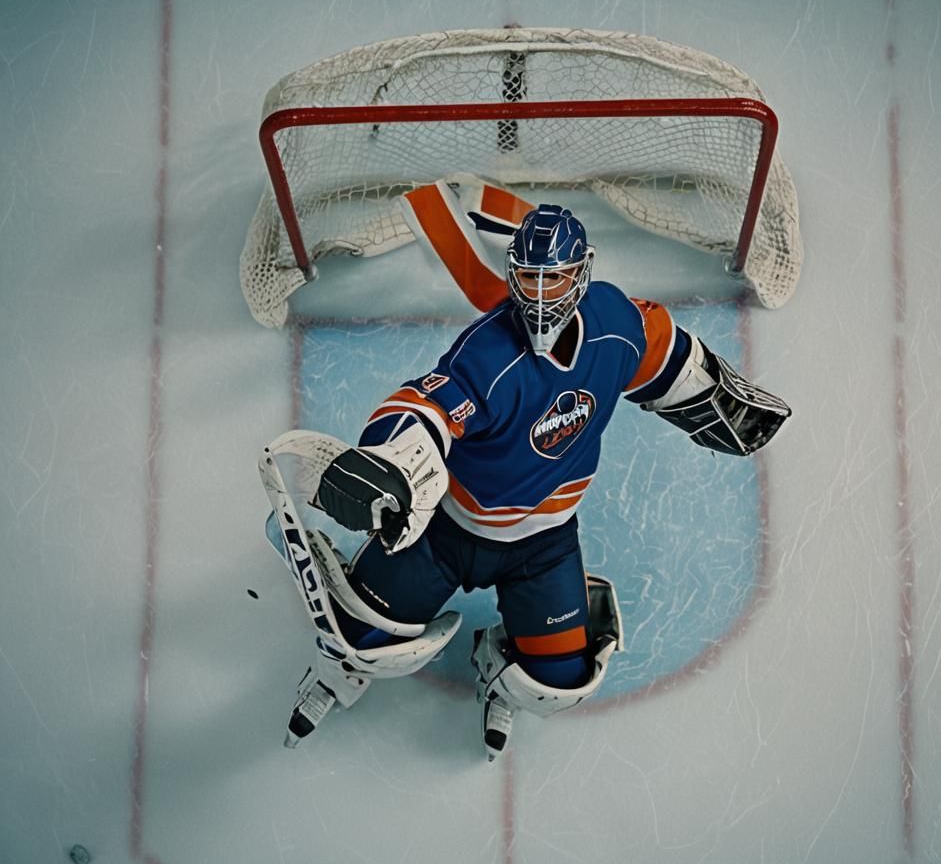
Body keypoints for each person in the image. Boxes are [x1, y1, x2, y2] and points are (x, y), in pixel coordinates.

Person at [260, 177, 791, 760]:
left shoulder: (615, 325)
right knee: (357, 636)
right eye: (529, 277)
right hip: (447, 532)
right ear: (513, 274)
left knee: (558, 682)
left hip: (545, 544)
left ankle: (500, 670)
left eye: (553, 277)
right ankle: (338, 676)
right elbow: (425, 408)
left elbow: (667, 355)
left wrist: (708, 391)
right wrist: (388, 460)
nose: (539, 294)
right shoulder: (487, 354)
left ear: (581, 272)